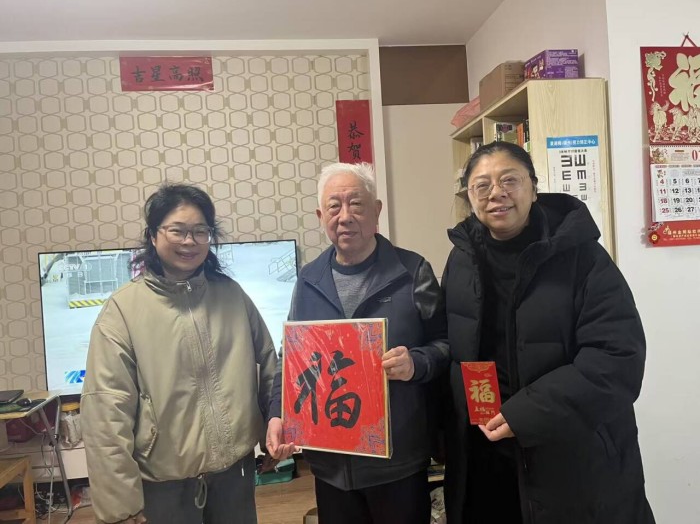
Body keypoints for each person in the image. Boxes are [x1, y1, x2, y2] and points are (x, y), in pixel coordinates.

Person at [441, 141, 655, 524]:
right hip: (486, 458)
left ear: (534, 187)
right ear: (470, 197)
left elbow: (616, 359)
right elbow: (451, 348)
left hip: (572, 462)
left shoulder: (583, 258)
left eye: (509, 180)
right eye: (482, 185)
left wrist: (525, 414)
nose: (496, 193)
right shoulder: (461, 259)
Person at [81, 183, 278, 524]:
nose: (190, 241)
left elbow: (269, 366)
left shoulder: (232, 295)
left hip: (235, 475)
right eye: (177, 230)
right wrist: (120, 508)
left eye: (200, 231)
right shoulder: (123, 311)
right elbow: (105, 414)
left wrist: (276, 430)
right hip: (164, 487)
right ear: (153, 235)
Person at [266, 162, 449, 524]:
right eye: (334, 206)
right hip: (331, 464)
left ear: (376, 211)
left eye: (357, 204)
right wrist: (277, 413)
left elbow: (446, 343)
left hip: (397, 460)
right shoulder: (309, 279)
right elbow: (291, 357)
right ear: (321, 216)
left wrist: (416, 363)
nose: (345, 216)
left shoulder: (412, 272)